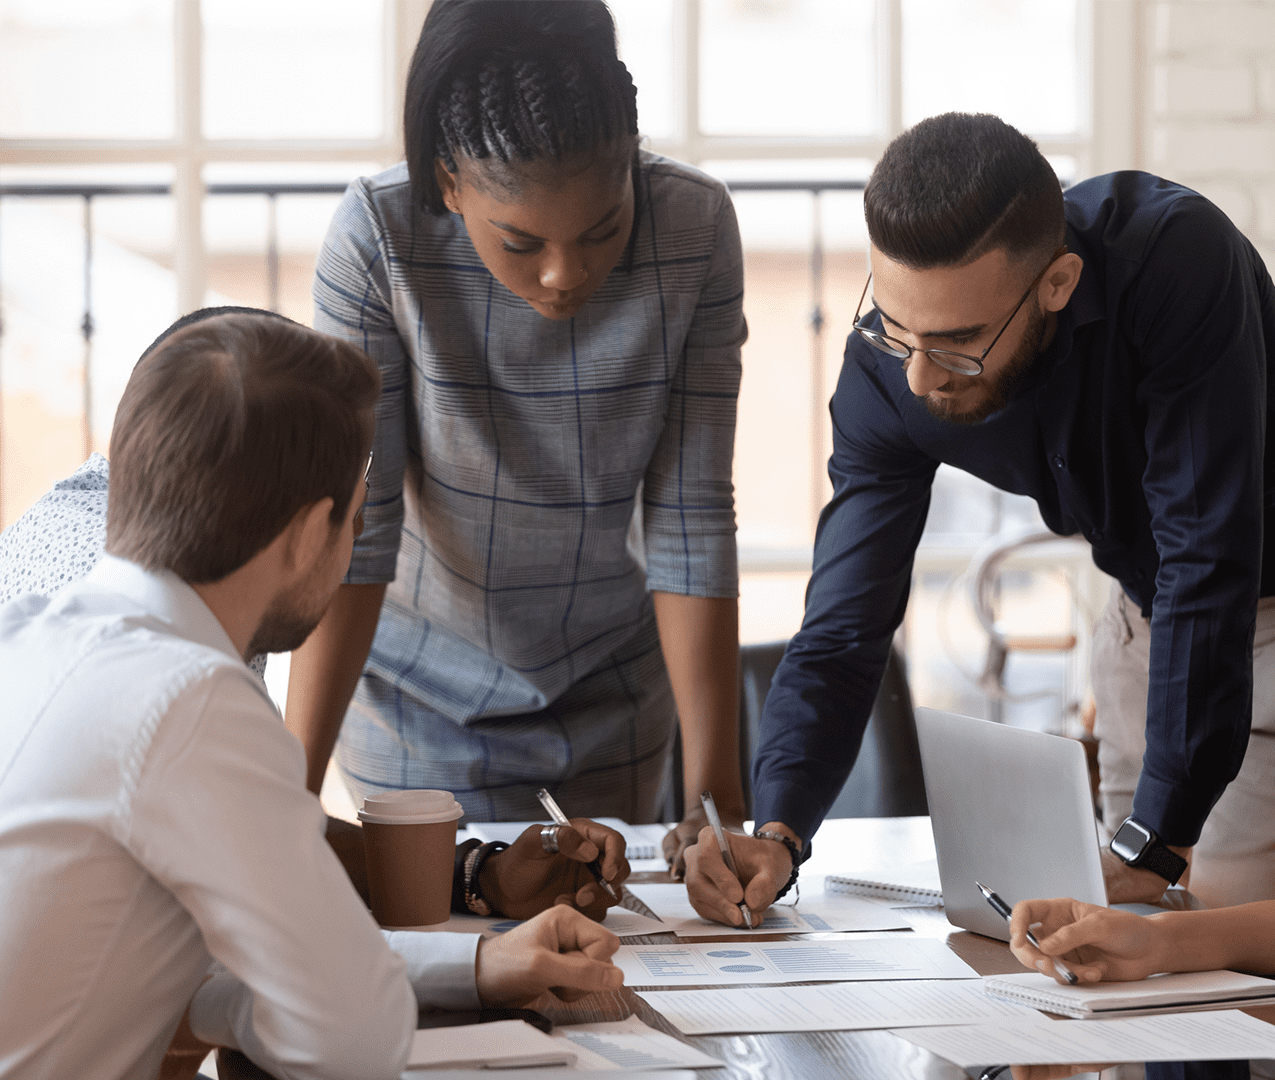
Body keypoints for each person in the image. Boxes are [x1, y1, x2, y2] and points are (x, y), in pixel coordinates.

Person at [0, 311, 627, 1080]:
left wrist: (473, 964)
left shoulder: (26, 636)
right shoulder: (190, 699)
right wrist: (244, 1000)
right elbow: (350, 1039)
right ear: (305, 535)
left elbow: (216, 958)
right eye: (355, 526)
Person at [686, 111, 1275, 926]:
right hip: (1147, 624)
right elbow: (842, 627)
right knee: (1117, 961)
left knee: (1228, 970)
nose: (921, 378)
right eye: (897, 327)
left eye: (959, 341)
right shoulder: (885, 369)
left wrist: (1155, 842)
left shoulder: (1175, 261)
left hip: (1246, 610)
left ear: (1056, 285)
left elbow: (1205, 556)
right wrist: (778, 831)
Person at [290, 0, 748, 871]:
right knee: (452, 940)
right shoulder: (377, 239)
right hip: (418, 699)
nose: (564, 274)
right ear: (448, 181)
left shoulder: (693, 229)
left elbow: (691, 515)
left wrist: (715, 800)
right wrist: (287, 791)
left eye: (603, 230)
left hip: (615, 686)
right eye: (519, 240)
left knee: (604, 953)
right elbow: (360, 527)